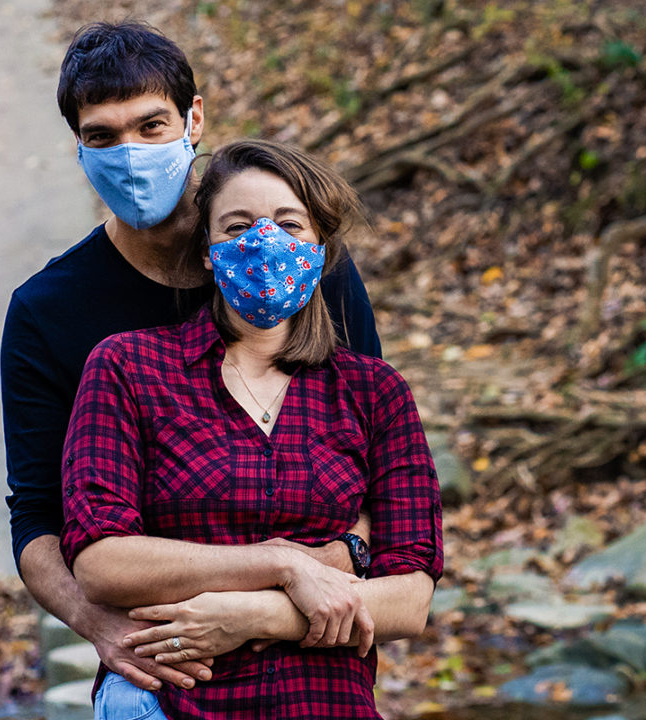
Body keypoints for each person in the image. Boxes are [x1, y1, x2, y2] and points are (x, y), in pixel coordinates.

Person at [0, 21, 382, 694]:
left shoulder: (297, 266)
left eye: (151, 126)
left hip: (306, 637)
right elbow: (37, 517)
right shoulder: (48, 313)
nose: (131, 154)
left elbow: (374, 459)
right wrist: (100, 624)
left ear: (193, 119)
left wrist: (321, 567)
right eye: (102, 137)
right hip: (163, 650)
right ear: (79, 148)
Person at [61, 139, 443, 720]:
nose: (264, 243)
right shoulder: (128, 368)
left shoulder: (374, 392)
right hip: (172, 699)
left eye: (289, 223)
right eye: (238, 226)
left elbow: (410, 598)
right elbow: (101, 562)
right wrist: (285, 565)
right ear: (210, 253)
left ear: (319, 246)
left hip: (324, 704)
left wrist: (254, 616)